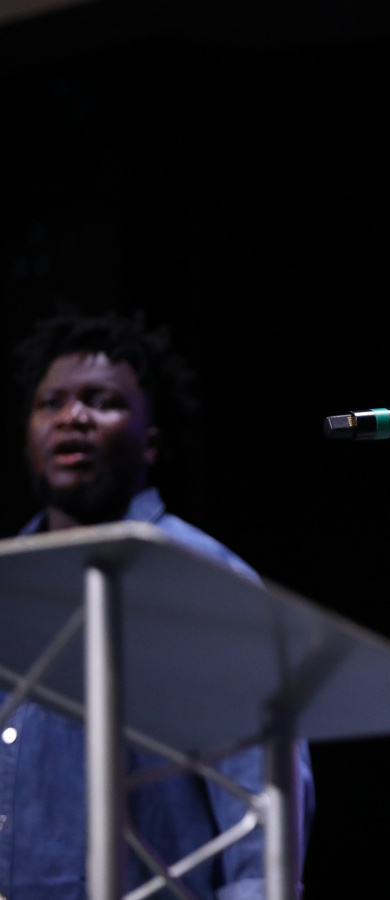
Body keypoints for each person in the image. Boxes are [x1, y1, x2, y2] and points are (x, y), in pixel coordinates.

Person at [1, 310, 316, 900]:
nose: (72, 417)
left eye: (101, 401)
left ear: (149, 441)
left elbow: (259, 814)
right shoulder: (9, 582)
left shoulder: (203, 579)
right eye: (51, 403)